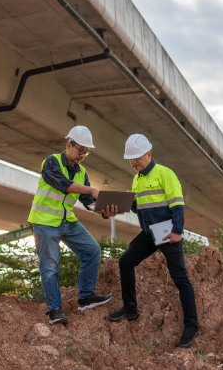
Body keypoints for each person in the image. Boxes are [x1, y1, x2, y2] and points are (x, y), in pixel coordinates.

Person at [104, 134, 200, 347]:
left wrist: (177, 231)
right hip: (149, 233)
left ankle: (192, 326)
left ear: (148, 154)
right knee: (125, 261)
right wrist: (116, 208)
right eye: (130, 158)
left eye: (137, 157)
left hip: (167, 232)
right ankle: (130, 309)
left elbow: (177, 204)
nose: (133, 161)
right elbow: (140, 206)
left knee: (180, 278)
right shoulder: (137, 178)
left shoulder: (164, 173)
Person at [28, 126, 113, 325]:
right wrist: (93, 189)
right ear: (69, 145)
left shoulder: (81, 172)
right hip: (45, 223)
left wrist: (105, 210)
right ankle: (55, 310)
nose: (82, 155)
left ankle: (85, 298)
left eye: (86, 152)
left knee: (92, 250)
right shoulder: (52, 162)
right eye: (80, 150)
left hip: (68, 221)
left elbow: (89, 202)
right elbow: (63, 184)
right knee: (49, 267)